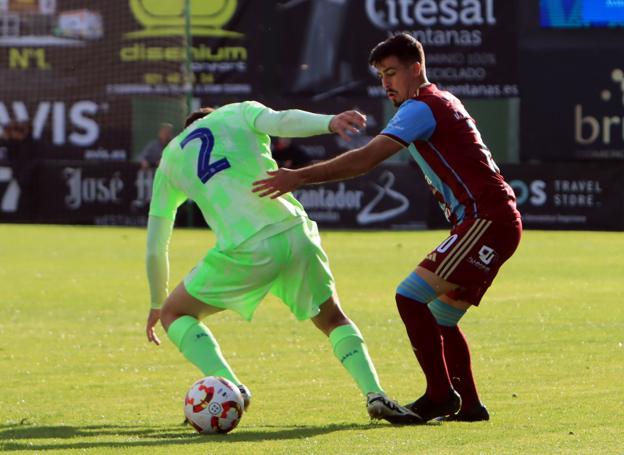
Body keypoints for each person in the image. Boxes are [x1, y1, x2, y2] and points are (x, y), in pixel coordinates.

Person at [253, 33, 522, 423]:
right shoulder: (442, 101)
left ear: (416, 69)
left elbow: (365, 160)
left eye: (392, 73)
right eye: (381, 75)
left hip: (485, 220)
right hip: (491, 220)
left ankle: (440, 395)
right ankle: (470, 406)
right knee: (441, 317)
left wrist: (298, 177)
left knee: (409, 296)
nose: (386, 83)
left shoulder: (421, 107)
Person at [144, 101, 421, 424]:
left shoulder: (172, 158)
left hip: (246, 248)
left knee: (174, 312)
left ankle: (232, 388)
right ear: (213, 115)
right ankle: (375, 394)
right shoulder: (236, 113)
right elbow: (283, 120)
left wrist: (154, 301)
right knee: (333, 319)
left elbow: (155, 245)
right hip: (295, 233)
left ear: (188, 127)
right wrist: (331, 121)